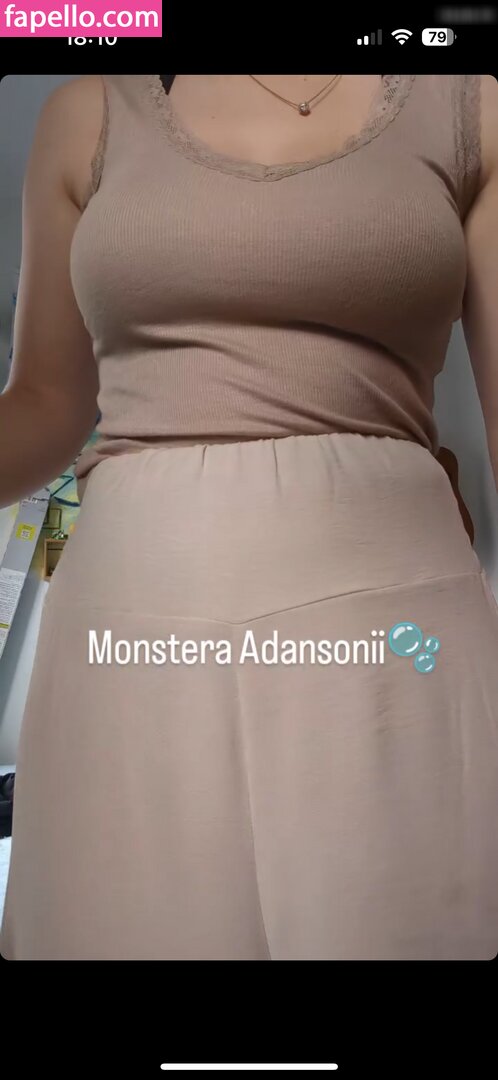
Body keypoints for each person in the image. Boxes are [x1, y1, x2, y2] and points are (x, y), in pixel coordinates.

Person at [0, 74, 497, 961]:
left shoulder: (469, 103)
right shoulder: (89, 110)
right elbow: (44, 401)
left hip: (391, 604)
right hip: (127, 610)